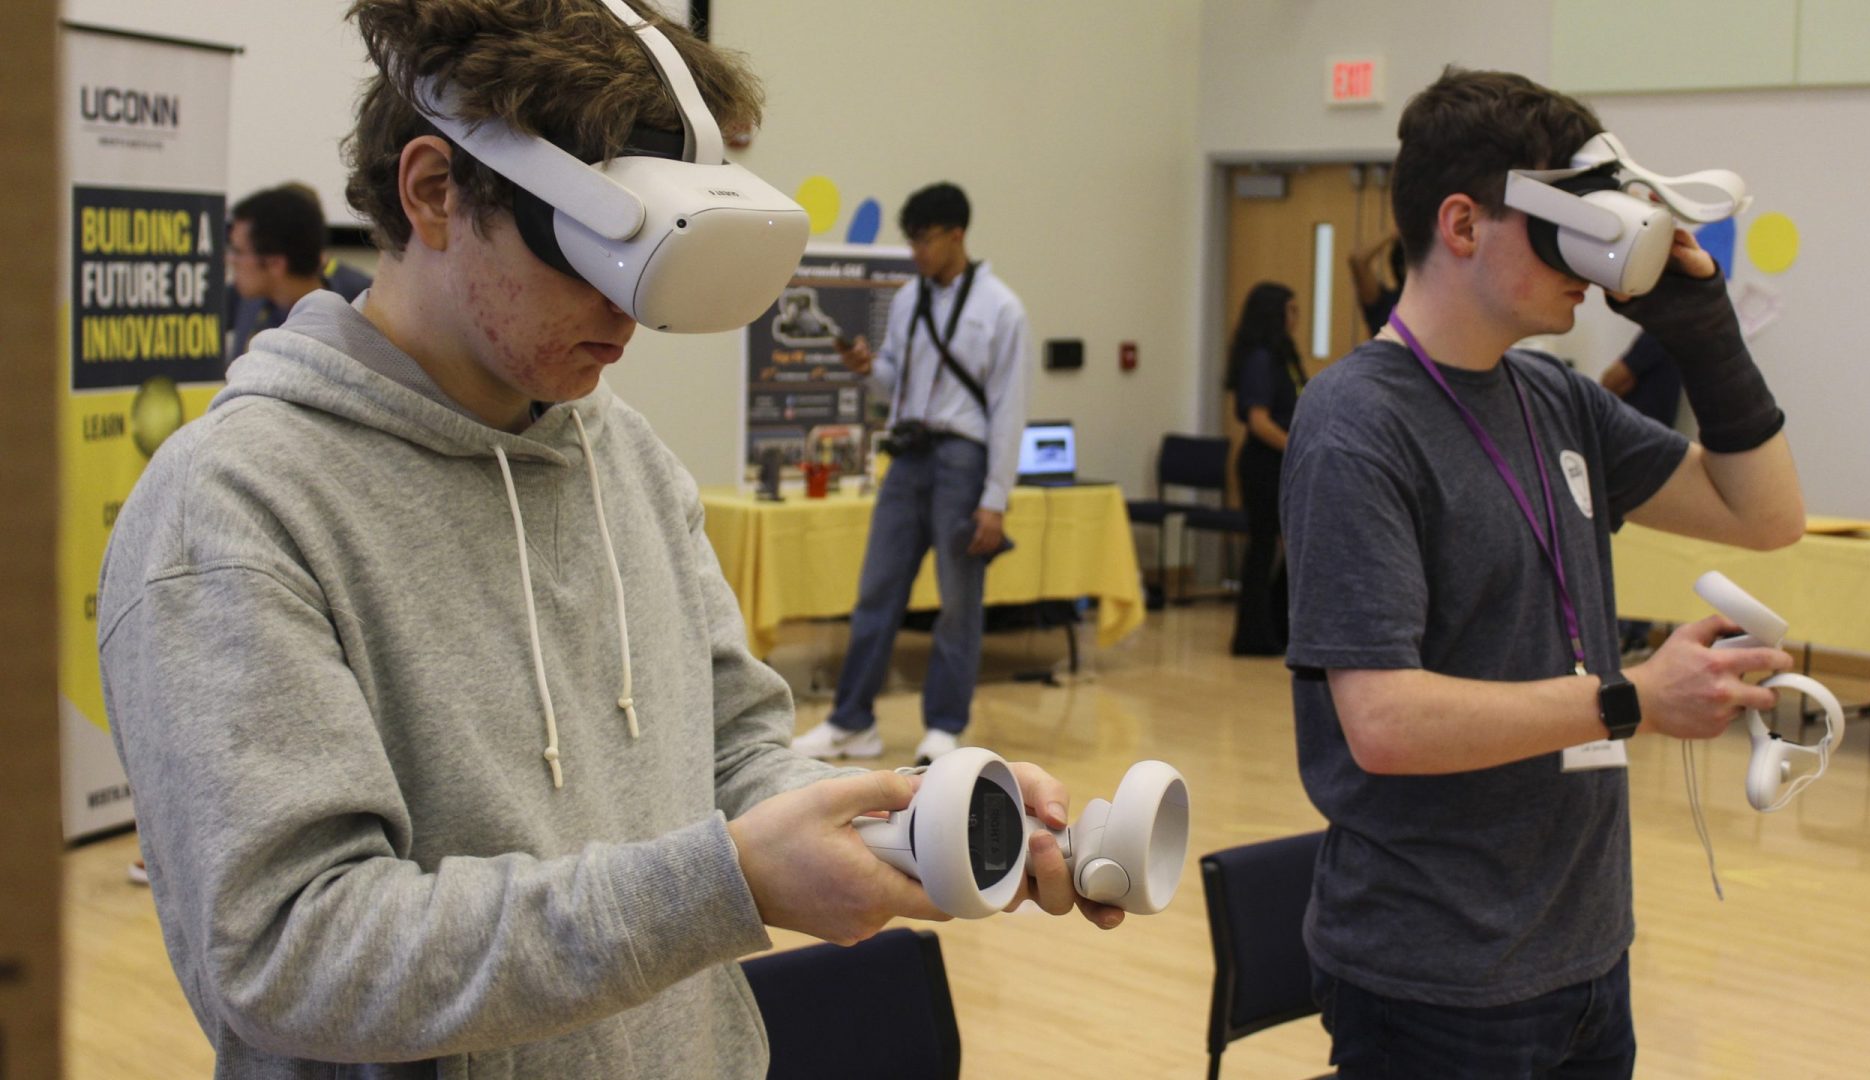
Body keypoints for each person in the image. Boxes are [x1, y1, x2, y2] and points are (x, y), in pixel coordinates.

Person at [97, 4, 1115, 1076]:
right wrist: (727, 885)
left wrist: (920, 822)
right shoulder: (233, 508)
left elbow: (733, 754)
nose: (629, 316)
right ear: (435, 191)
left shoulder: (622, 455)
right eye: (595, 253)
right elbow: (290, 953)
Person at [1280, 67, 1804, 1076]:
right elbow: (1382, 722)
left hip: (1583, 955)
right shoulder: (1357, 424)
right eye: (1569, 222)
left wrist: (1707, 338)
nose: (1593, 259)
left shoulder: (1551, 397)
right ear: (1465, 225)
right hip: (1438, 972)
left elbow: (1766, 515)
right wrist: (1627, 701)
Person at [792, 182, 1032, 766]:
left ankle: (945, 726)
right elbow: (892, 382)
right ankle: (853, 722)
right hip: (909, 454)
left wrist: (995, 499)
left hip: (963, 458)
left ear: (957, 235)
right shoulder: (907, 299)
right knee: (876, 590)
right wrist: (867, 368)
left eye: (926, 240)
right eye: (912, 241)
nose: (918, 252)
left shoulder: (1001, 307)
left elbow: (1009, 410)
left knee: (957, 601)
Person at [1224, 282, 1305, 657]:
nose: (1296, 318)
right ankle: (1252, 634)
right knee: (1263, 547)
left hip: (1283, 463)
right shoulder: (1259, 359)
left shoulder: (1283, 356)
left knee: (1286, 545)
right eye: (1291, 310)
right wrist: (1300, 446)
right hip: (1263, 463)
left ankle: (1278, 624)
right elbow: (1259, 421)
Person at [1601, 331, 1685, 655]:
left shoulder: (1656, 336)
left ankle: (1627, 631)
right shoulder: (1674, 339)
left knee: (1630, 550)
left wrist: (1585, 401)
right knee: (1641, 549)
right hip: (1650, 451)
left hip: (1632, 454)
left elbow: (1617, 378)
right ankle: (1634, 632)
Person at [226, 183, 374, 363]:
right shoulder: (248, 299)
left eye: (238, 252)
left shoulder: (360, 311)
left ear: (275, 264)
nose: (230, 259)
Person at [1347, 228, 1405, 336]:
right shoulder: (1383, 302)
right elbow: (1358, 260)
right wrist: (1395, 232)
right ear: (1401, 268)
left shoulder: (1432, 302)